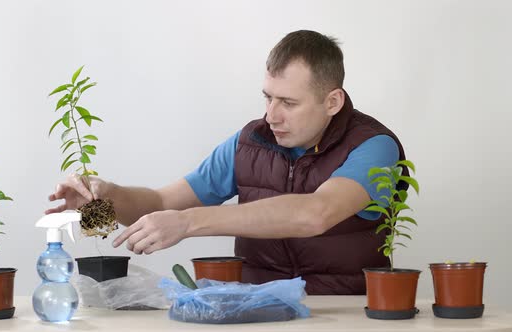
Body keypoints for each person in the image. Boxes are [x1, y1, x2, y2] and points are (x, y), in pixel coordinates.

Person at [46, 30, 408, 295]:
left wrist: (188, 223)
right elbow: (160, 203)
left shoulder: (375, 147)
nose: (271, 116)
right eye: (267, 97)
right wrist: (106, 198)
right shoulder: (249, 142)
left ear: (332, 102)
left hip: (345, 315)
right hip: (256, 312)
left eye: (288, 103)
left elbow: (316, 212)